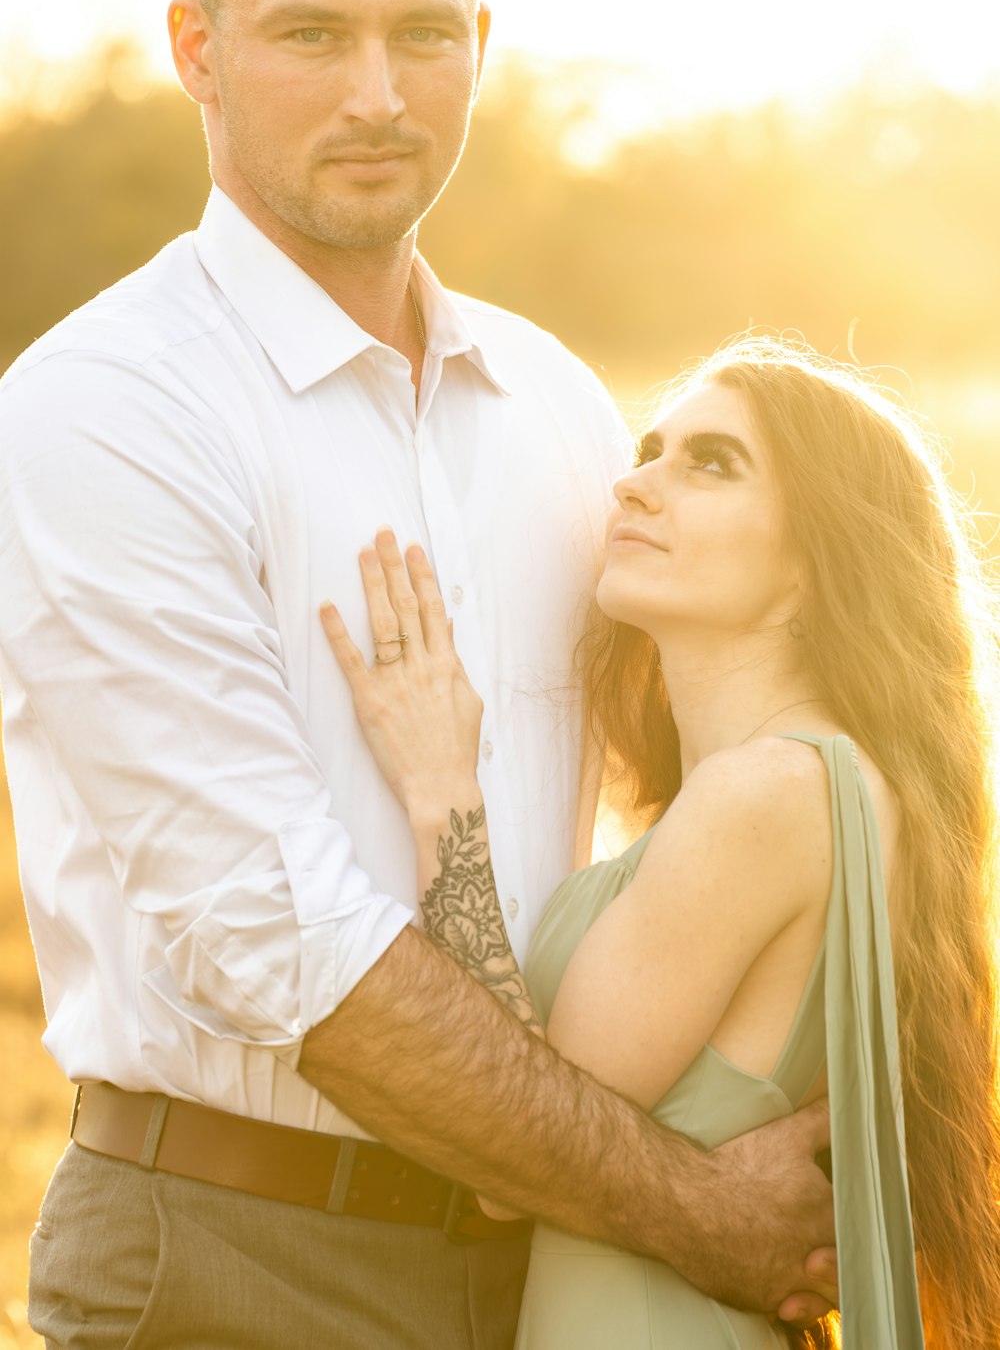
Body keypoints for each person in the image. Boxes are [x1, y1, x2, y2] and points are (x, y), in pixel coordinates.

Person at [0, 0, 837, 1348]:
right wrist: (696, 1205)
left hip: (559, 1277)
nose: (380, 94)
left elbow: (718, 780)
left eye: (426, 36)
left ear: (483, 42)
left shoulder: (565, 412)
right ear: (198, 46)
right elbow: (284, 942)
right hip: (236, 1262)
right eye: (313, 34)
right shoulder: (105, 408)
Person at [320, 338, 1000, 1349]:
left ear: (817, 560)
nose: (635, 485)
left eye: (711, 462)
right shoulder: (842, 783)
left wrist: (441, 789)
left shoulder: (762, 793)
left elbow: (510, 1148)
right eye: (649, 450)